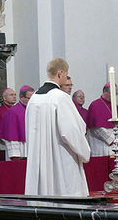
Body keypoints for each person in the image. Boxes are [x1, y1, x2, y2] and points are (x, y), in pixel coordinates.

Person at [24, 58, 91, 197]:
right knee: (64, 196)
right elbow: (71, 132)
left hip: (38, 160)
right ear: (60, 73)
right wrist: (85, 152)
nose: (66, 79)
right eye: (66, 75)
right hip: (60, 158)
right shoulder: (60, 97)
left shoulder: (34, 98)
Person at [86, 83, 118, 156]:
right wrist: (113, 139)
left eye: (116, 93)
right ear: (105, 92)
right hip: (102, 145)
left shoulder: (115, 106)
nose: (114, 96)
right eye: (113, 93)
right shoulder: (95, 105)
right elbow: (96, 128)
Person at [0, 85, 34, 159]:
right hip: (20, 150)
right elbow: (11, 136)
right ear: (22, 97)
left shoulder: (34, 110)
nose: (32, 101)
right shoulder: (13, 112)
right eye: (29, 98)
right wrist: (14, 155)